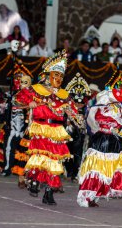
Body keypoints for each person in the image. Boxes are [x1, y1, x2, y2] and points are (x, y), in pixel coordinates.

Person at [15, 50, 84, 205]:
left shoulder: (64, 95)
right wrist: (29, 104)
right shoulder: (36, 89)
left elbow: (73, 112)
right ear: (48, 75)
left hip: (56, 131)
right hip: (40, 127)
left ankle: (48, 193)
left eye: (61, 76)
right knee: (40, 157)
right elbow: (16, 101)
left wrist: (78, 118)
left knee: (54, 162)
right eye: (56, 75)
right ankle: (33, 181)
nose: (59, 78)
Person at [77, 70, 122, 208]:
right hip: (103, 141)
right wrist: (113, 127)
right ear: (113, 89)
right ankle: (89, 197)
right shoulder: (104, 103)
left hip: (117, 141)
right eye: (121, 88)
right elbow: (98, 119)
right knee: (100, 171)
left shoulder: (119, 106)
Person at [1, 62, 34, 177]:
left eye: (24, 81)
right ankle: (7, 168)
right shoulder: (14, 95)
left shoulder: (32, 96)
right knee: (9, 147)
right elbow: (9, 109)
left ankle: (20, 169)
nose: (21, 83)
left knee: (24, 149)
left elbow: (32, 110)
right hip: (12, 125)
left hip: (26, 127)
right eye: (19, 80)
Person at [64, 73, 92, 182]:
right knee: (67, 154)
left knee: (78, 154)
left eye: (80, 103)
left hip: (80, 135)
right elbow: (64, 120)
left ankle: (75, 174)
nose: (78, 105)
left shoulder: (86, 109)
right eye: (76, 103)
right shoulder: (68, 109)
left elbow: (89, 121)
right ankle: (69, 171)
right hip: (68, 134)